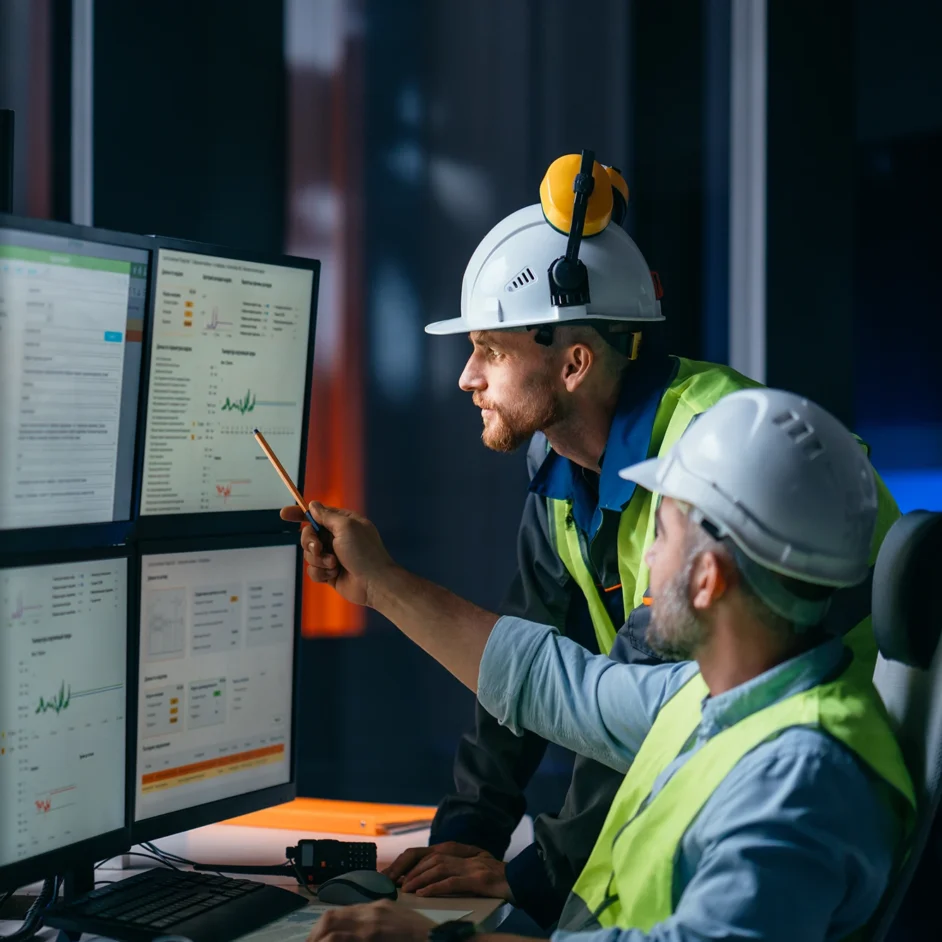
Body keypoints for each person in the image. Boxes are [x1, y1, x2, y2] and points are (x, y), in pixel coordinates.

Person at [373, 153, 900, 929]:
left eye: (490, 349)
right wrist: (467, 837)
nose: (466, 377)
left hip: (777, 752)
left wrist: (529, 878)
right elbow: (540, 664)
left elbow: (616, 708)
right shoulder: (561, 461)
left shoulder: (713, 465)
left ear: (575, 363)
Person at [286, 388, 915, 942]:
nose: (646, 560)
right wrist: (381, 584)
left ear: (706, 580)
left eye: (661, 535)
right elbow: (558, 686)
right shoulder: (721, 697)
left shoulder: (801, 780)